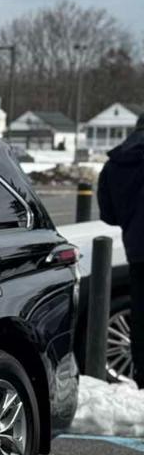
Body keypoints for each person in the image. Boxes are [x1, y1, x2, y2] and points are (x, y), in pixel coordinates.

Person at [96, 114, 144, 386]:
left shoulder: (115, 164)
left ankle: (141, 377)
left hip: (137, 251)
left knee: (140, 317)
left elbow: (109, 214)